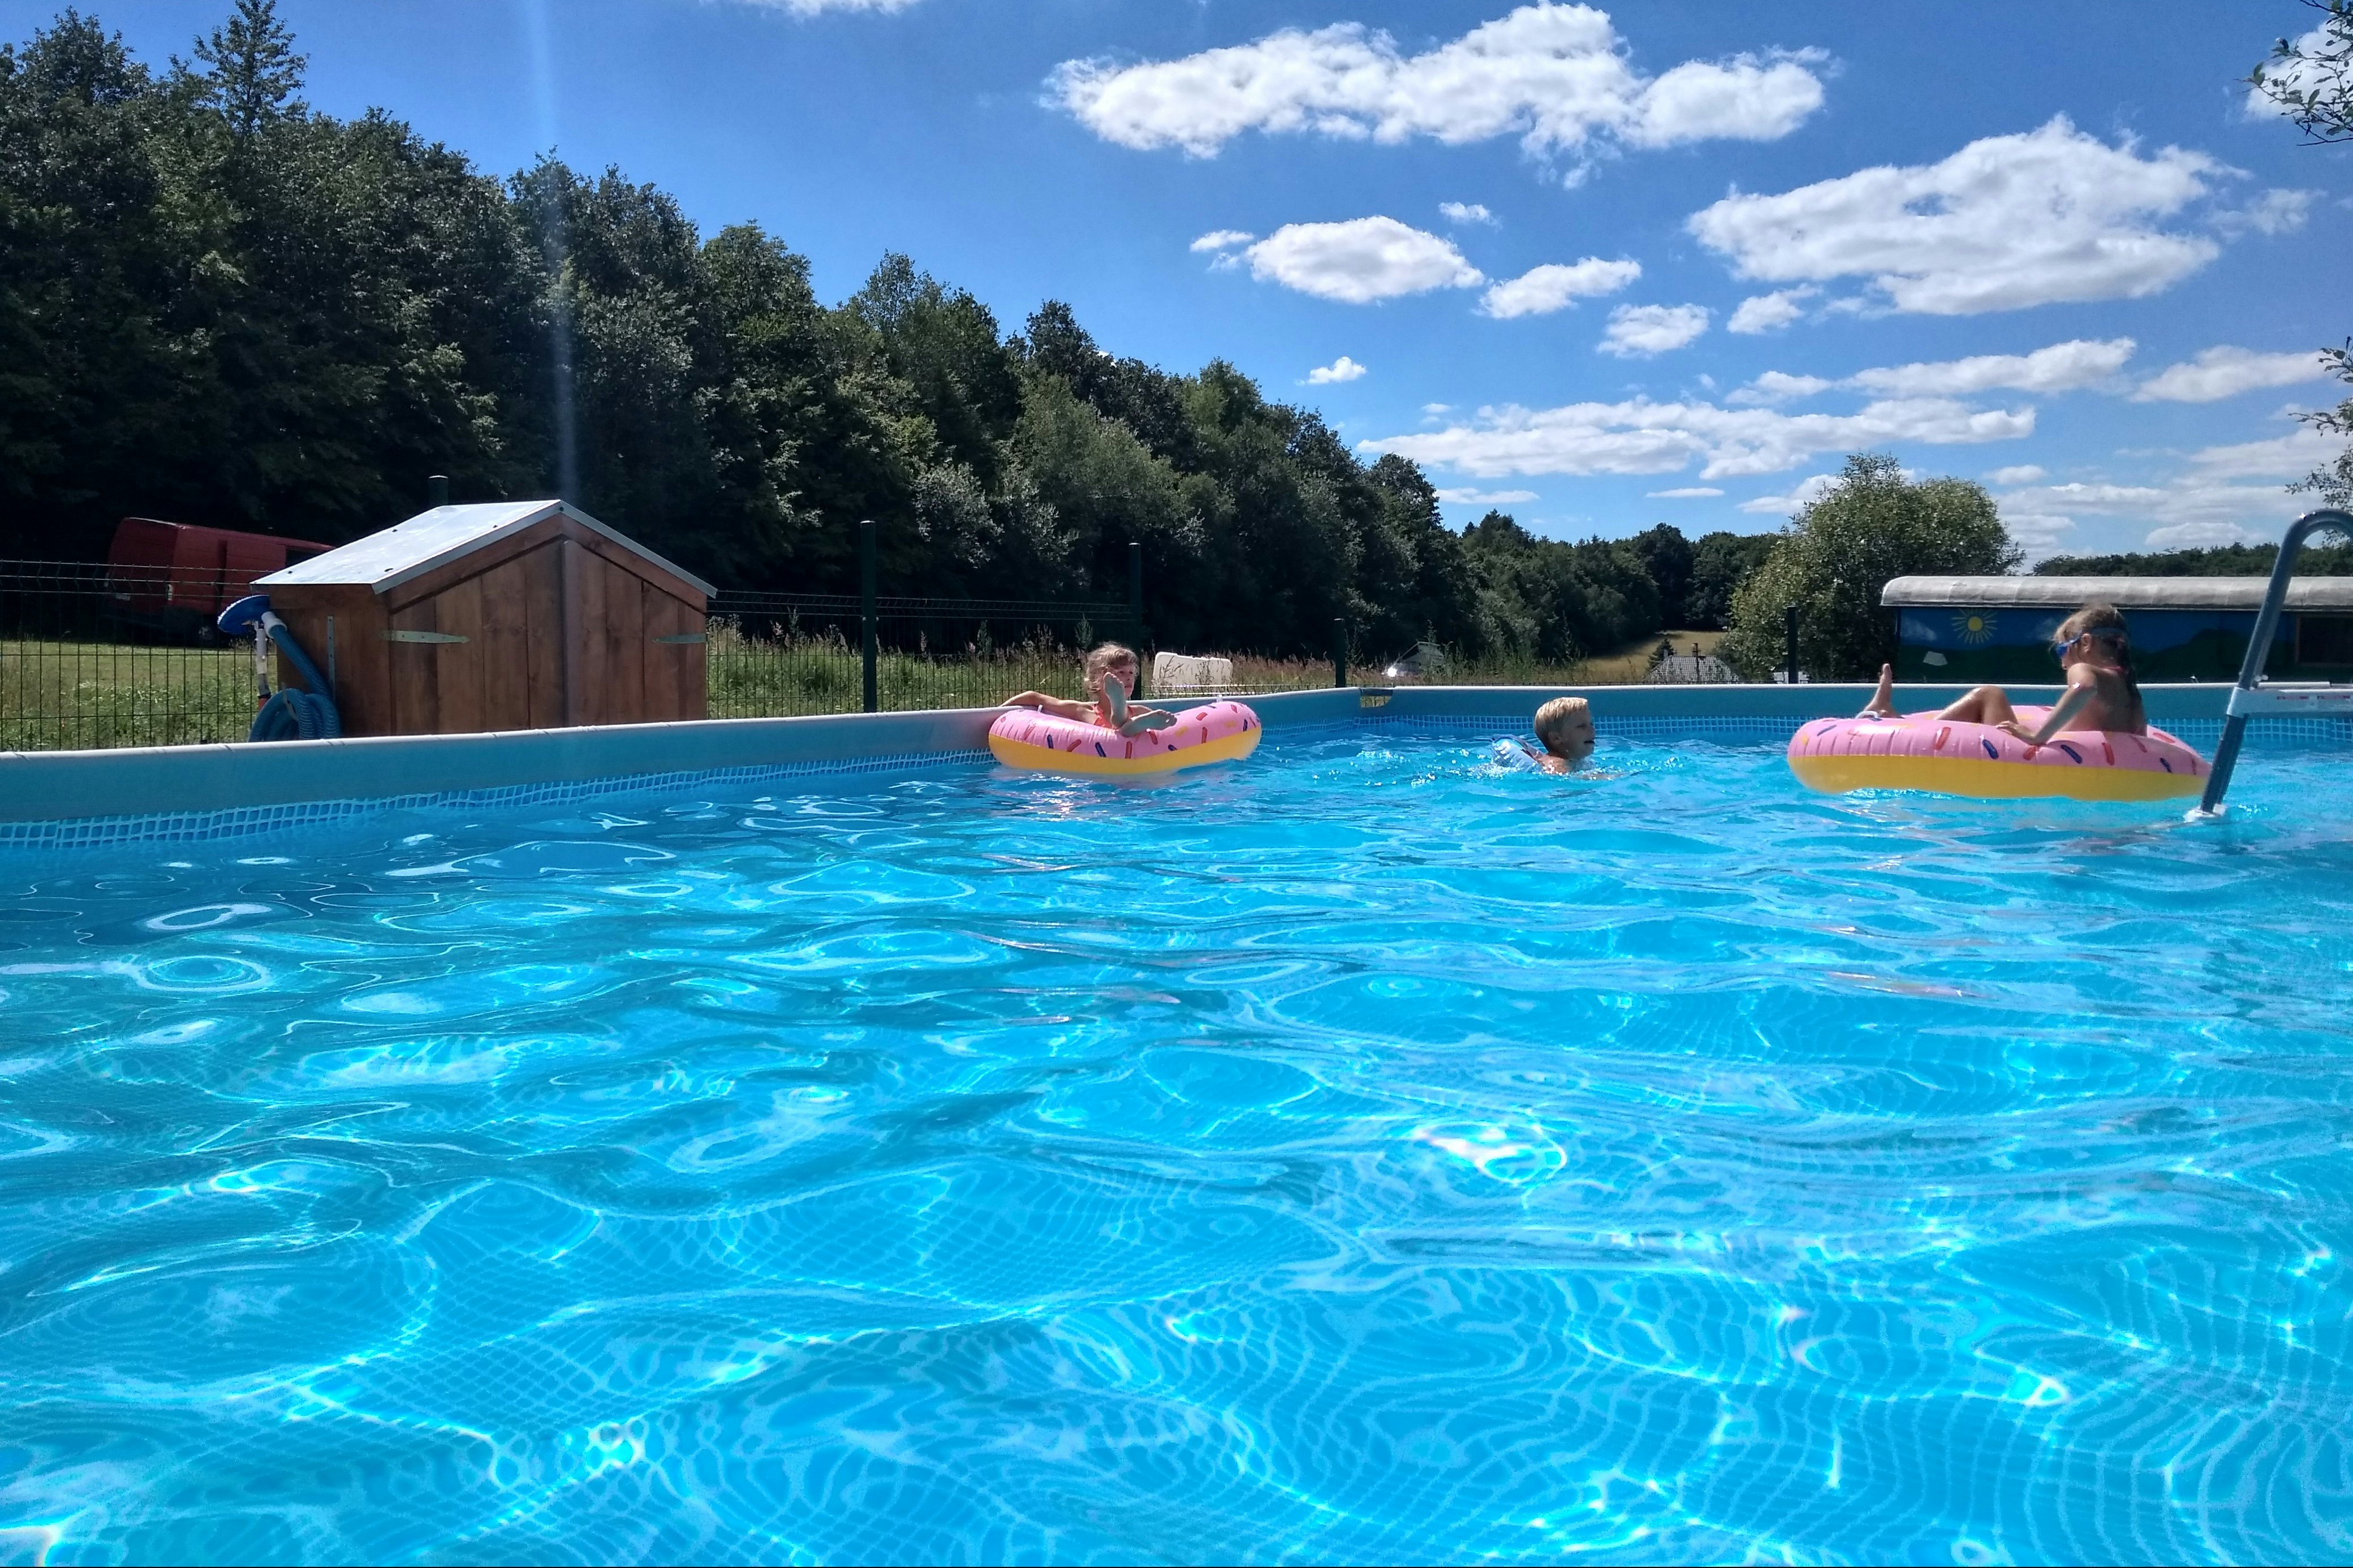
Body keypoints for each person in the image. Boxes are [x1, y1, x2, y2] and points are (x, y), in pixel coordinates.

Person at [1861, 602, 2148, 740]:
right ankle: (1896, 717)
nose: (2063, 663)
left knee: (1989, 694)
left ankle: (1899, 726)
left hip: (2039, 756)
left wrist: (2039, 737)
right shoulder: (2129, 688)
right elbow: (2140, 738)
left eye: (2063, 651)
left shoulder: (2086, 670)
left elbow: (2083, 688)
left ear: (2085, 643)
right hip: (2094, 767)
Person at [1004, 641, 1174, 737]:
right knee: (1126, 727)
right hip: (1103, 762)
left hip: (1127, 766)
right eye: (1120, 673)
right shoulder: (1083, 711)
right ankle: (1125, 720)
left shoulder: (1141, 712)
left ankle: (1124, 719)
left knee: (1126, 726)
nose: (1129, 677)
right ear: (1099, 680)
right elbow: (1034, 697)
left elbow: (1169, 728)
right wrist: (995, 713)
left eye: (1131, 672)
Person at [1496, 694, 1597, 774]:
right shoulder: (1558, 765)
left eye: (1591, 724)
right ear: (1556, 738)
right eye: (1582, 726)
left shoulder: (1577, 762)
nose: (1592, 730)